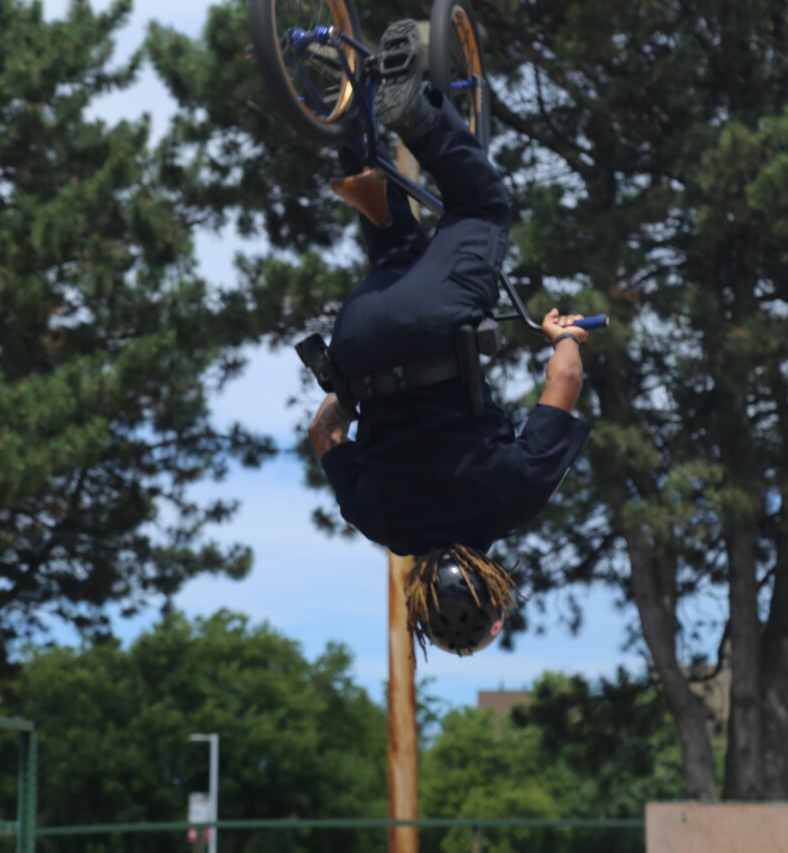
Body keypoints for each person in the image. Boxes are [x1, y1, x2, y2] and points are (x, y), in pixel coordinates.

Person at [304, 20, 593, 656]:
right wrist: (355, 391)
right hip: (356, 338)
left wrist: (564, 336)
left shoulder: (508, 499)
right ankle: (348, 109)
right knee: (395, 241)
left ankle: (417, 116)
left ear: (497, 585)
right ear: (419, 592)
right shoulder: (382, 523)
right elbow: (325, 435)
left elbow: (565, 380)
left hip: (439, 322)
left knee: (481, 205)